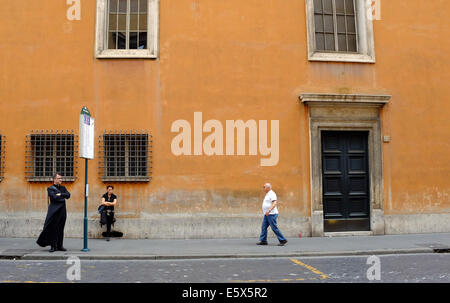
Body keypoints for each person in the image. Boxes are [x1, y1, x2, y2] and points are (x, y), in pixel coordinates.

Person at [36, 173, 70, 252]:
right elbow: (54, 198)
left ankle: (60, 246)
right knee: (53, 229)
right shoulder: (50, 188)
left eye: (61, 178)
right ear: (54, 179)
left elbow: (68, 195)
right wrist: (62, 197)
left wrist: (61, 194)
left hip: (62, 211)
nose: (61, 180)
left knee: (61, 229)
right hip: (54, 212)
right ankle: (53, 246)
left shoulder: (63, 188)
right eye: (59, 178)